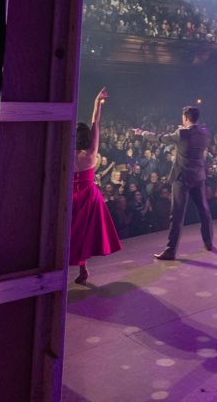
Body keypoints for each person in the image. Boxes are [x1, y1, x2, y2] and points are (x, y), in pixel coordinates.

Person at [132, 105, 213, 260]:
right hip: (199, 176)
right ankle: (208, 242)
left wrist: (142, 132)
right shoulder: (204, 132)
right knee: (204, 210)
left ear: (185, 118)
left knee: (176, 214)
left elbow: (160, 138)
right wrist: (184, 130)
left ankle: (170, 250)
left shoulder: (181, 133)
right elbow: (192, 136)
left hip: (182, 177)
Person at [70, 87, 122, 284]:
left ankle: (60, 265)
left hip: (71, 196)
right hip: (88, 196)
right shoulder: (91, 152)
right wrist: (97, 101)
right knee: (85, 234)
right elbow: (96, 122)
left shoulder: (67, 150)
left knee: (68, 232)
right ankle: (83, 269)